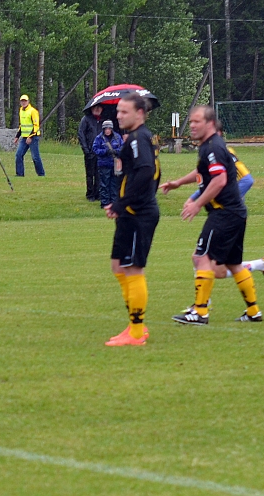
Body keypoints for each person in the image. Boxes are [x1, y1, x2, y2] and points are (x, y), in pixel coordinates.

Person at [162, 105, 264, 325]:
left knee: (201, 258)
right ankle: (254, 311)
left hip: (223, 213)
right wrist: (178, 183)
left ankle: (200, 312)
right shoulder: (209, 147)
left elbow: (219, 180)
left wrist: (198, 203)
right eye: (190, 122)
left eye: (196, 121)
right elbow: (203, 173)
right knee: (234, 264)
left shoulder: (213, 148)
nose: (192, 125)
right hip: (235, 213)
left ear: (209, 123)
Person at [104, 94, 161, 346]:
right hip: (131, 212)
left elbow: (147, 171)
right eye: (118, 111)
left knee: (133, 269)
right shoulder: (140, 138)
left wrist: (123, 202)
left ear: (140, 113)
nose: (118, 116)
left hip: (139, 213)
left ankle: (136, 332)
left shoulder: (139, 138)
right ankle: (134, 324)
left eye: (124, 112)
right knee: (118, 266)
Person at [91, 120, 123, 208]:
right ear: (103, 129)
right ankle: (105, 203)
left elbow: (123, 148)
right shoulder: (99, 138)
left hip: (115, 165)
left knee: (114, 184)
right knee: (104, 184)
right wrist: (105, 151)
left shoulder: (117, 137)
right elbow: (95, 149)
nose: (108, 130)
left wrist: (116, 151)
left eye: (109, 128)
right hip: (103, 164)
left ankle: (114, 202)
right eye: (106, 128)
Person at [13, 94, 45, 177]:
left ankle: (41, 174)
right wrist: (17, 136)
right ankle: (19, 174)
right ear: (20, 102)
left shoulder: (33, 111)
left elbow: (36, 125)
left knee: (35, 157)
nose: (23, 102)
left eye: (25, 101)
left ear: (28, 101)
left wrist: (30, 137)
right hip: (24, 137)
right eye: (22, 101)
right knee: (18, 155)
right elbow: (22, 125)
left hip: (33, 137)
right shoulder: (21, 110)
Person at [78, 105, 105, 201]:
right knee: (90, 174)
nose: (97, 109)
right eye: (95, 107)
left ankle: (98, 193)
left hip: (101, 152)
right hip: (90, 151)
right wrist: (86, 150)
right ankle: (90, 194)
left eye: (99, 107)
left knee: (99, 174)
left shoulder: (104, 120)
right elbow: (81, 134)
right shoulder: (86, 119)